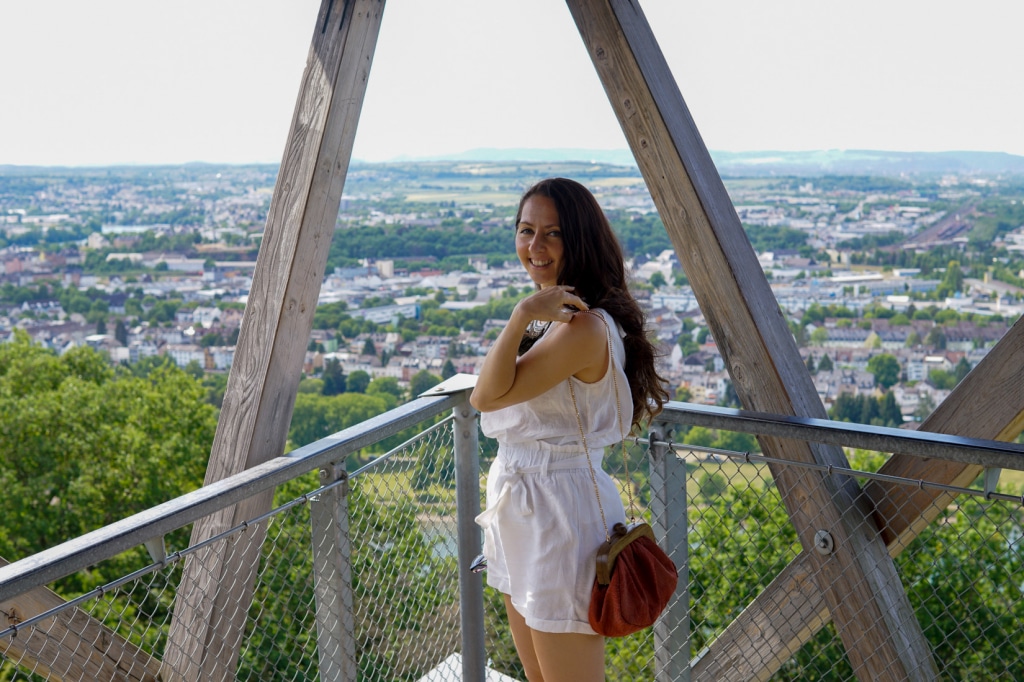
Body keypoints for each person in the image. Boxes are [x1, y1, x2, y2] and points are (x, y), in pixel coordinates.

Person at [470, 178, 668, 681]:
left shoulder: (582, 328)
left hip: (560, 515)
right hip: (528, 506)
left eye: (552, 234)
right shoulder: (557, 317)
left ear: (579, 239)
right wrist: (530, 315)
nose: (534, 247)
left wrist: (519, 314)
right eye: (525, 230)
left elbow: (484, 397)